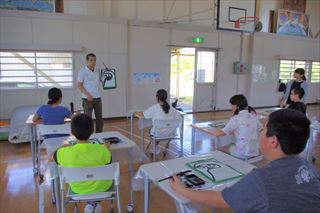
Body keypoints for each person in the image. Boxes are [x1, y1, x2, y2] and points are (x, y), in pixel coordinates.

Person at [170, 109, 320, 212]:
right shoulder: (309, 168)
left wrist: (182, 189)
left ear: (273, 141)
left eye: (263, 129)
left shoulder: (261, 179)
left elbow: (219, 200)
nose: (260, 132)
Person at [54, 114, 112, 213]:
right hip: (103, 188)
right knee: (97, 177)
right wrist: (106, 149)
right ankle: (94, 204)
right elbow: (108, 161)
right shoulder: (102, 149)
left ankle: (91, 205)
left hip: (78, 189)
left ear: (72, 133)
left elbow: (51, 157)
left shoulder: (63, 153)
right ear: (92, 130)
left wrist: (63, 146)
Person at [211, 94, 263, 160]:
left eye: (231, 105)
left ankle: (231, 165)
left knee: (220, 148)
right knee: (233, 143)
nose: (231, 108)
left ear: (236, 106)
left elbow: (220, 133)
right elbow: (261, 129)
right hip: (255, 151)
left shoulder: (236, 118)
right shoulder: (253, 116)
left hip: (242, 153)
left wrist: (210, 131)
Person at [143, 89, 181, 154]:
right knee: (163, 128)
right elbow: (178, 116)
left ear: (157, 97)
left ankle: (155, 147)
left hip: (158, 134)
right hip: (171, 134)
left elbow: (145, 115)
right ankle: (165, 147)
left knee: (154, 130)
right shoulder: (171, 108)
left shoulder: (154, 108)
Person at [77, 53, 103, 133]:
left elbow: (103, 81)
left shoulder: (98, 70)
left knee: (99, 118)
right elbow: (79, 85)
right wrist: (88, 95)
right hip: (87, 99)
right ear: (87, 61)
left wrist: (109, 75)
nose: (93, 62)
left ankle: (99, 135)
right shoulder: (82, 71)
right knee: (88, 119)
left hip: (97, 98)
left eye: (94, 60)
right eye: (91, 60)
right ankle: (88, 136)